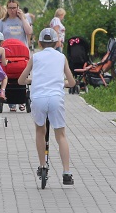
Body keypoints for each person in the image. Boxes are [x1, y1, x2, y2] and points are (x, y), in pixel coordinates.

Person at [19, 27, 77, 186]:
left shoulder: (35, 57)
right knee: (61, 135)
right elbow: (71, 82)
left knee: (40, 130)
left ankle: (42, 166)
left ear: (39, 42)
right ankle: (66, 172)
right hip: (55, 98)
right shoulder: (61, 57)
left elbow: (21, 80)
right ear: (57, 42)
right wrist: (61, 83)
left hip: (38, 98)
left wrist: (33, 81)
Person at [0, 0, 33, 110]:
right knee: (7, 75)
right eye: (10, 8)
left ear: (18, 8)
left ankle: (22, 100)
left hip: (21, 53)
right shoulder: (2, 22)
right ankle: (10, 100)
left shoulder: (22, 20)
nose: (12, 10)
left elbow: (29, 32)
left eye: (14, 7)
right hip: (7, 53)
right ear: (7, 8)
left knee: (21, 75)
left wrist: (23, 18)